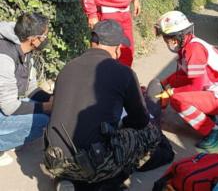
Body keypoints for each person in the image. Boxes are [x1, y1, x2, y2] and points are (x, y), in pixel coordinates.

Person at [42, 20, 161, 191]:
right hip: (93, 162)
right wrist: (122, 125)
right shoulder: (124, 73)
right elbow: (140, 121)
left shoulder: (67, 68)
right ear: (117, 48)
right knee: (151, 132)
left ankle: (67, 179)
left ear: (92, 42)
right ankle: (108, 181)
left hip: (54, 159)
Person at [154, 11, 218, 149]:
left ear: (178, 36)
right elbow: (185, 76)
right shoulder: (191, 45)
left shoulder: (193, 50)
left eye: (168, 39)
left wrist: (170, 92)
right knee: (179, 88)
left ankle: (214, 130)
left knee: (178, 100)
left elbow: (196, 85)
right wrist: (164, 82)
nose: (169, 43)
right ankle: (210, 117)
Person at [0, 13, 52, 167]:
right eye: (44, 36)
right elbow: (10, 107)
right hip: (5, 106)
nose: (46, 39)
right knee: (42, 122)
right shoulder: (4, 57)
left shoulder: (25, 51)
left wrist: (51, 98)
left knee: (41, 109)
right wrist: (47, 107)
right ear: (33, 39)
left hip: (4, 104)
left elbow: (31, 89)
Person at [79, 0, 141, 67]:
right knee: (107, 57)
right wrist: (92, 14)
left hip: (125, 13)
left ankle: (123, 78)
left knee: (127, 53)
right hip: (107, 13)